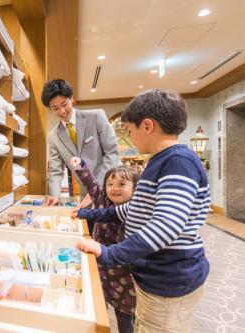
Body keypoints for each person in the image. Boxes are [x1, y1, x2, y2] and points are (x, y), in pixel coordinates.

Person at [76, 89, 210, 333]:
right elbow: (133, 209)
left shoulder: (179, 162)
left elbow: (165, 226)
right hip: (153, 276)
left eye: (129, 129)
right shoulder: (160, 161)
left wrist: (109, 253)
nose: (129, 136)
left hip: (168, 279)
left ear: (147, 125)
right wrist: (88, 214)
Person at [71, 157, 139, 333]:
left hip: (126, 278)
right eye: (109, 184)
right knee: (100, 309)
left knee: (124, 320)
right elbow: (92, 184)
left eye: (122, 184)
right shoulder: (103, 202)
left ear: (135, 188)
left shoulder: (137, 212)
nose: (114, 188)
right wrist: (81, 166)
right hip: (101, 271)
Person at [41, 79, 119, 206]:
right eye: (55, 108)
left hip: (112, 186)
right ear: (50, 109)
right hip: (86, 193)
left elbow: (112, 153)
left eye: (64, 104)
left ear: (71, 98)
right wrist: (55, 195)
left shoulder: (96, 116)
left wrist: (97, 187)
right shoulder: (53, 137)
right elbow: (56, 171)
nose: (61, 111)